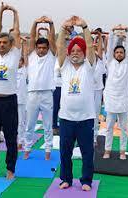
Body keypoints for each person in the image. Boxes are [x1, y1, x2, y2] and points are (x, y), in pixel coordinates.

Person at [56, 16, 96, 190]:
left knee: (87, 152)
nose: (75, 53)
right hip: (66, 118)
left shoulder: (89, 67)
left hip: (86, 118)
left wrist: (85, 26)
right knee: (65, 152)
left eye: (79, 50)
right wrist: (63, 28)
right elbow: (59, 47)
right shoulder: (64, 67)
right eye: (73, 50)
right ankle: (66, 179)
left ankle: (86, 181)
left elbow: (90, 46)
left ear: (84, 53)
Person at [0, 3, 21, 180]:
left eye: (4, 42)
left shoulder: (14, 54)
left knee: (10, 137)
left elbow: (15, 31)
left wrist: (14, 13)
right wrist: (0, 12)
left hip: (8, 101)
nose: (1, 44)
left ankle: (10, 169)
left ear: (10, 44)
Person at [24, 16, 56, 160]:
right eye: (39, 48)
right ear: (36, 48)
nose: (41, 50)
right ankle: (27, 148)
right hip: (32, 94)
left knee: (48, 125)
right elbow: (31, 38)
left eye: (44, 48)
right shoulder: (31, 55)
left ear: (47, 48)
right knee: (29, 124)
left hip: (47, 94)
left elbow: (53, 40)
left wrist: (50, 23)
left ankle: (48, 150)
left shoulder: (51, 55)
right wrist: (35, 22)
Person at [102, 24, 128, 160]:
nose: (119, 54)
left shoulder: (127, 63)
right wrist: (113, 32)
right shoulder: (110, 63)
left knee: (124, 128)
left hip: (124, 101)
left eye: (121, 52)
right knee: (108, 127)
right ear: (114, 54)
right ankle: (107, 150)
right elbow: (109, 48)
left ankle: (122, 151)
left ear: (124, 54)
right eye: (117, 52)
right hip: (111, 100)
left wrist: (127, 32)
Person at [92, 30, 106, 144]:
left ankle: (94, 136)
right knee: (86, 113)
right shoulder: (87, 60)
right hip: (87, 90)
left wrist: (100, 36)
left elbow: (100, 50)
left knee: (96, 113)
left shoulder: (101, 60)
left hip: (97, 90)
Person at [17, 36, 28, 149]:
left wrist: (24, 44)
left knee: (21, 122)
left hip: (21, 100)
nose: (17, 62)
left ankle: (21, 141)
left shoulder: (24, 70)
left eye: (20, 61)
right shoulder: (10, 69)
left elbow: (24, 55)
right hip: (10, 99)